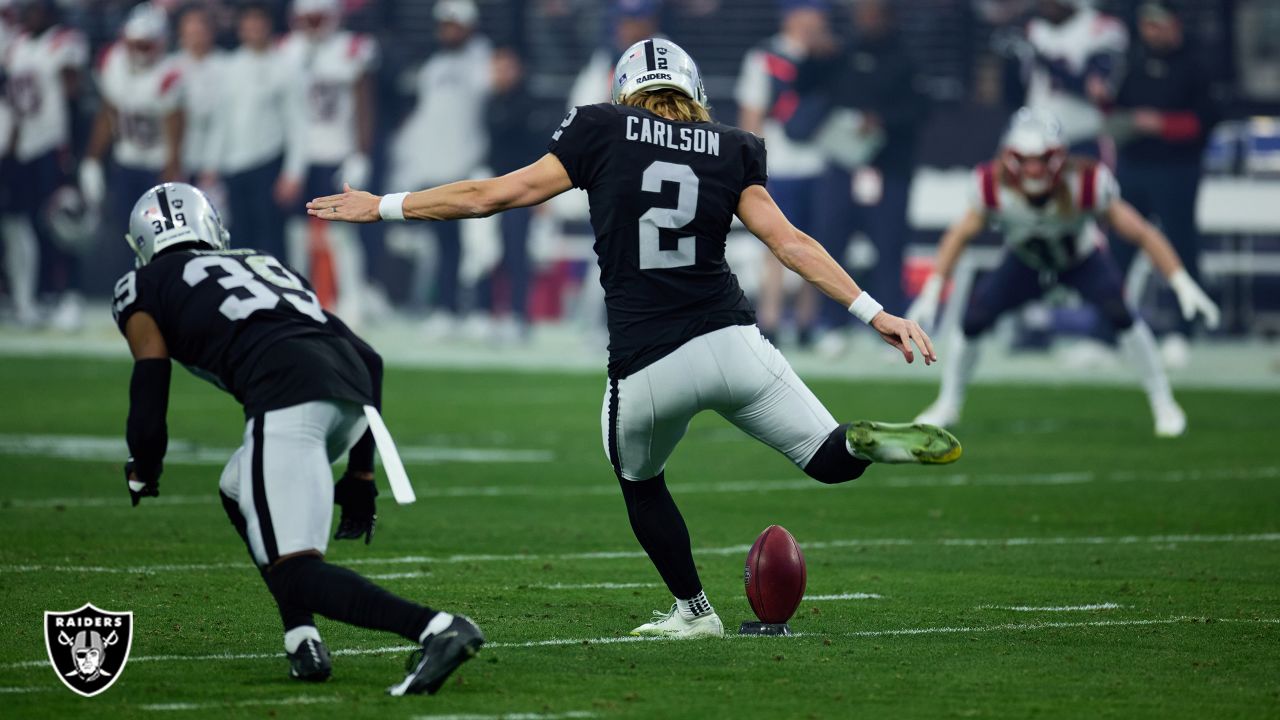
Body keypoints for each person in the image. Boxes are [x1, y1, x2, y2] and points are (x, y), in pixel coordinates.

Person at [308, 38, 961, 638]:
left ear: (626, 88)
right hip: (734, 341)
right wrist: (876, 312)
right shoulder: (733, 145)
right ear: (693, 90)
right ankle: (860, 438)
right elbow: (788, 243)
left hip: (649, 363)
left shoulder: (600, 126)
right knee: (826, 459)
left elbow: (493, 195)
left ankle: (694, 611)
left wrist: (385, 204)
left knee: (640, 480)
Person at [111, 181, 482, 694]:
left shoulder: (141, 285)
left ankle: (436, 628)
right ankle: (302, 638)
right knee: (238, 487)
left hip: (287, 399)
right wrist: (360, 471)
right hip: (349, 396)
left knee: (296, 571)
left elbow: (151, 374)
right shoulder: (262, 263)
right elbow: (370, 358)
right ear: (211, 228)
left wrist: (143, 465)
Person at [907, 108, 1219, 437]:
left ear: (1059, 157)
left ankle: (1164, 402)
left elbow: (1140, 232)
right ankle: (947, 403)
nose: (1034, 168)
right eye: (1025, 159)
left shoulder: (1086, 182)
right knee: (974, 319)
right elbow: (959, 235)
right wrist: (931, 291)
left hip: (1080, 260)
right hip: (1024, 261)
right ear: (1009, 157)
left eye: (1042, 158)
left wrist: (1181, 281)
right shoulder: (991, 185)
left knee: (1120, 313)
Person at [800, 0, 928, 356]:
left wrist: (882, 120)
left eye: (873, 12)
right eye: (862, 11)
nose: (866, 18)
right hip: (843, 166)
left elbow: (920, 109)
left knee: (889, 248)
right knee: (830, 244)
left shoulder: (905, 59)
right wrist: (812, 56)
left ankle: (894, 328)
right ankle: (832, 324)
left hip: (887, 169)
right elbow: (804, 86)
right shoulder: (842, 53)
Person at [1106, 0, 1217, 367]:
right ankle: (1109, 330)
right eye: (1147, 25)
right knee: (1118, 250)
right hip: (1134, 166)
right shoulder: (1133, 62)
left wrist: (1159, 124)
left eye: (1159, 25)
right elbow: (1116, 110)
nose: (1153, 32)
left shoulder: (1196, 65)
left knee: (1179, 245)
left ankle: (1183, 330)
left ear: (1174, 25)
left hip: (1176, 170)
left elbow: (1204, 123)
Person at [387, 0, 491, 338]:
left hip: (471, 167)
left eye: (454, 24)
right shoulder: (433, 66)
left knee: (479, 248)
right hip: (438, 169)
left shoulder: (481, 58)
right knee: (445, 247)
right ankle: (446, 308)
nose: (448, 30)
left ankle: (480, 310)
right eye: (444, 24)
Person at [734, 0, 833, 346]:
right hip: (780, 165)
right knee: (775, 243)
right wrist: (751, 166)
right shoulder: (764, 57)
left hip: (821, 163)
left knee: (818, 242)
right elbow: (752, 113)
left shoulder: (828, 57)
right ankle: (772, 318)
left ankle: (808, 322)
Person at [276, 0, 377, 325]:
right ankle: (298, 296)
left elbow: (364, 102)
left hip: (337, 153)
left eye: (318, 18)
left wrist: (360, 152)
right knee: (296, 232)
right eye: (306, 19)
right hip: (299, 156)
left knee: (341, 233)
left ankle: (351, 299)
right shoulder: (289, 50)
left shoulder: (351, 48)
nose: (312, 25)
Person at [82, 2, 185, 282]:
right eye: (134, 44)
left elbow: (175, 127)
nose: (138, 52)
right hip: (127, 158)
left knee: (162, 234)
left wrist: (171, 171)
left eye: (146, 45)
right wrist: (92, 158)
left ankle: (163, 290)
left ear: (161, 43)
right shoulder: (113, 61)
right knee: (126, 231)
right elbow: (108, 111)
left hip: (156, 163)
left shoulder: (169, 73)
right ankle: (133, 287)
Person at [1, 0, 87, 328]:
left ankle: (69, 294)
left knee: (61, 223)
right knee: (25, 224)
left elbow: (72, 90)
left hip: (54, 143)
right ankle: (36, 294)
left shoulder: (65, 41)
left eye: (37, 9)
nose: (30, 15)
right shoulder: (17, 46)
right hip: (22, 146)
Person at [204, 2, 300, 261]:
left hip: (267, 163)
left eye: (259, 22)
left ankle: (277, 297)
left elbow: (297, 123)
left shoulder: (284, 67)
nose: (253, 28)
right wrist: (211, 163)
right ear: (240, 28)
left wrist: (293, 172)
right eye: (248, 22)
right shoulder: (229, 67)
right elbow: (220, 121)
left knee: (271, 240)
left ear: (268, 26)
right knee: (238, 239)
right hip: (233, 167)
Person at [1024, 0, 1127, 156]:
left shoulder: (1100, 27)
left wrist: (1049, 64)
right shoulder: (1035, 28)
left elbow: (1096, 91)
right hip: (1038, 135)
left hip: (1082, 135)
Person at [174, 4, 225, 184]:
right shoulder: (172, 66)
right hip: (179, 159)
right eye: (190, 31)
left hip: (217, 161)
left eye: (200, 30)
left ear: (211, 32)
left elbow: (223, 121)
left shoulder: (225, 66)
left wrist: (213, 164)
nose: (196, 37)